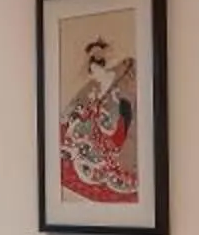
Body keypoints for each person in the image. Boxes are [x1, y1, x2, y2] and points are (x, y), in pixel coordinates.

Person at [58, 34, 139, 204]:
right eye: (95, 53)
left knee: (120, 129)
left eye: (99, 52)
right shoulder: (102, 70)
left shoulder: (125, 69)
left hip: (117, 102)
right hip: (101, 101)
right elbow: (92, 88)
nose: (98, 55)